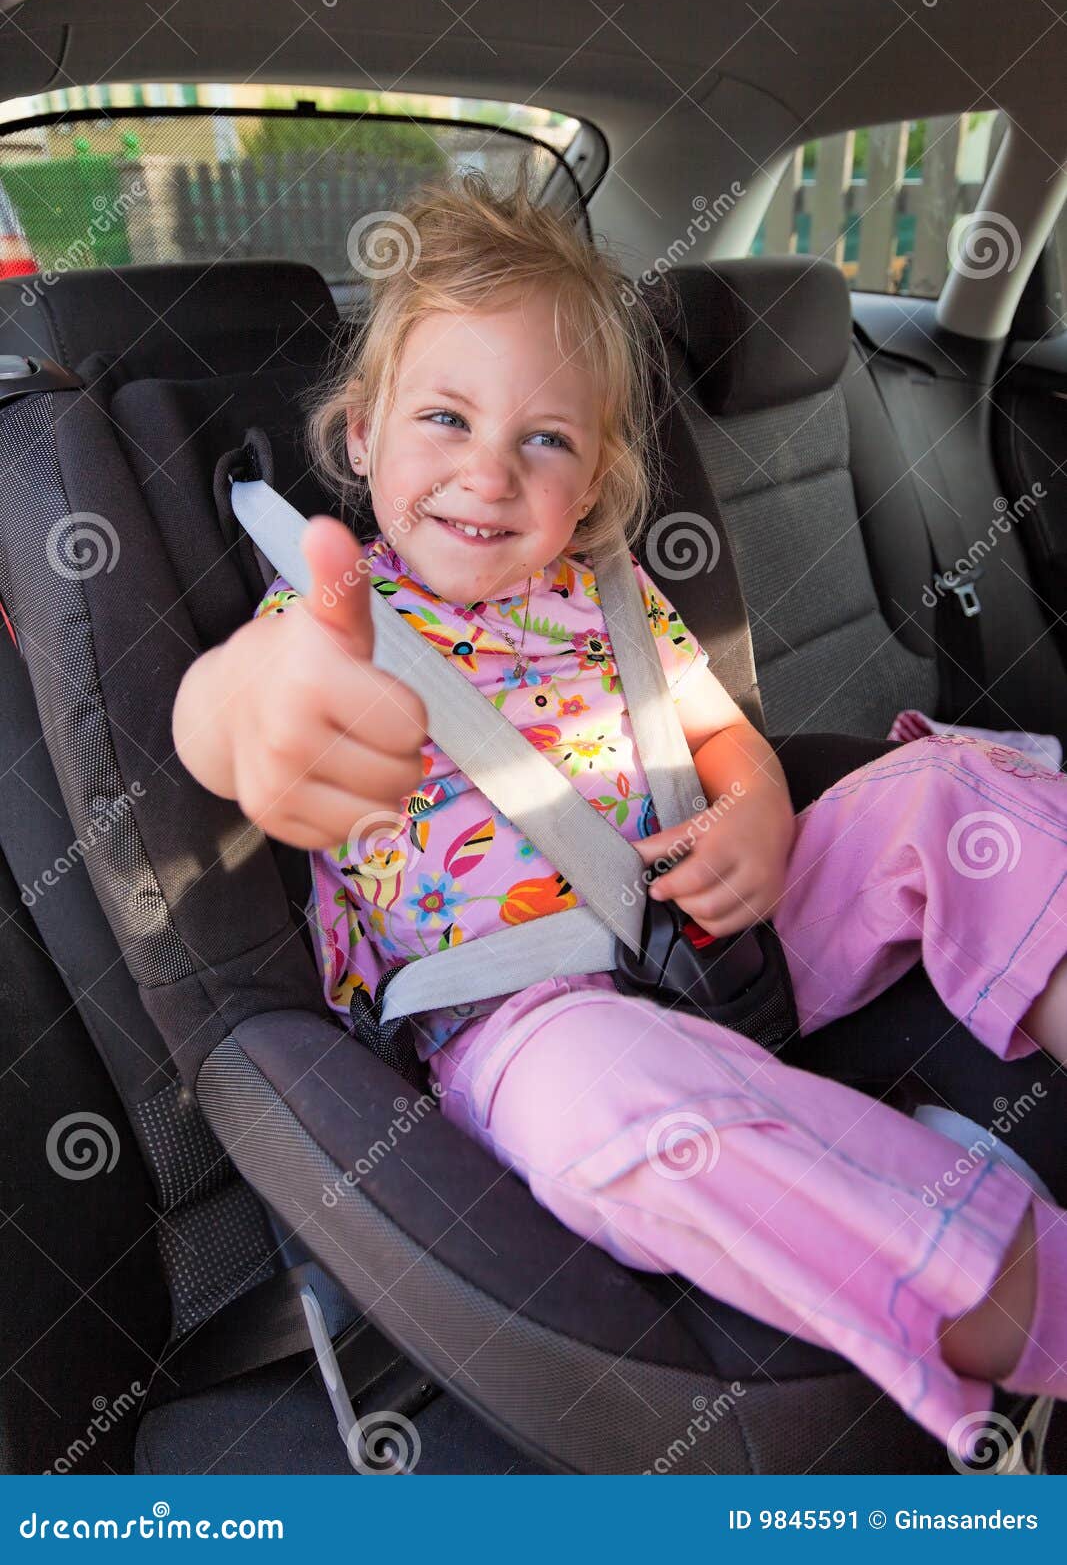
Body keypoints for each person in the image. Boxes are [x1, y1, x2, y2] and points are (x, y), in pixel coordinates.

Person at [173, 168, 1067, 1459]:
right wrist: (249, 703)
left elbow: (718, 731)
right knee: (613, 1117)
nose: (488, 470)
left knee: (946, 791)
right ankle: (1003, 1282)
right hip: (522, 1021)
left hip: (711, 925)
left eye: (545, 437)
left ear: (592, 473)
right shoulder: (335, 611)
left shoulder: (607, 591)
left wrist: (757, 804)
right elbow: (225, 709)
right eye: (444, 417)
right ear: (362, 436)